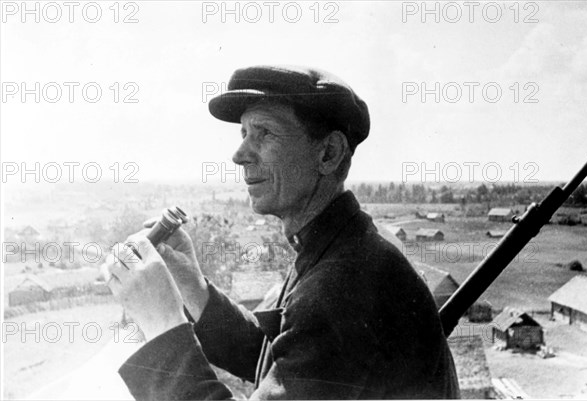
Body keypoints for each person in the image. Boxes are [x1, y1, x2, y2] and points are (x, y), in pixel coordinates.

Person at [107, 65, 460, 400]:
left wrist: (163, 324)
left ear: (328, 153)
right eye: (244, 134)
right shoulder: (340, 246)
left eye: (264, 133)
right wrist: (192, 287)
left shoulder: (344, 283)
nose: (239, 154)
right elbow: (283, 360)